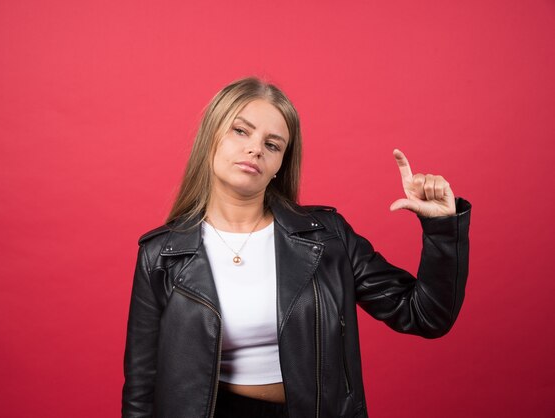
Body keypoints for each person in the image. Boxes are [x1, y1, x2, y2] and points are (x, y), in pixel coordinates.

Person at [121, 76, 471, 418]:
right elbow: (142, 383)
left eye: (272, 145)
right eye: (240, 131)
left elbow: (425, 316)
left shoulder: (328, 238)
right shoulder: (161, 255)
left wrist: (441, 228)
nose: (255, 148)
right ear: (211, 137)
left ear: (279, 165)